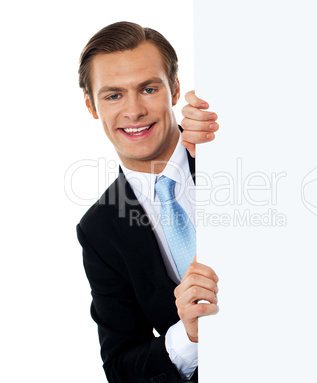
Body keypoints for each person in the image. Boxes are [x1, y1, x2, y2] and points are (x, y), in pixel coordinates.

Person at [76, 21, 219, 383]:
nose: (134, 110)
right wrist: (188, 336)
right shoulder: (99, 229)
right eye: (113, 95)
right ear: (92, 105)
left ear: (174, 89)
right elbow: (122, 366)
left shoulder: (221, 149)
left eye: (148, 88)